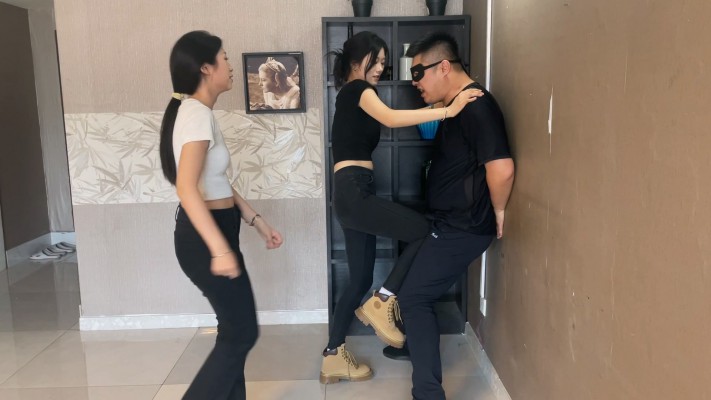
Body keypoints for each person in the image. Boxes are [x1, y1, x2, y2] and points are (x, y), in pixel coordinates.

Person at [319, 31, 483, 384]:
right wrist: (449, 109)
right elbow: (392, 119)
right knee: (424, 230)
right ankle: (383, 301)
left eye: (384, 62)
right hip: (354, 192)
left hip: (350, 193)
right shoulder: (358, 89)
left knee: (359, 279)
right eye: (376, 60)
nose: (381, 67)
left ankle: (332, 356)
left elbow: (392, 116)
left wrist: (438, 109)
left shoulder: (351, 95)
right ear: (357, 60)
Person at [158, 31, 284, 400]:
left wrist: (256, 220)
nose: (230, 66)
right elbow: (186, 188)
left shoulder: (197, 113)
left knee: (233, 330)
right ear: (205, 68)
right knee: (243, 332)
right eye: (225, 58)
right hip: (205, 236)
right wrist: (219, 249)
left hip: (217, 228)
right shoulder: (196, 114)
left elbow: (214, 181)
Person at [391, 32, 515, 400]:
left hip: (464, 226)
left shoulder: (477, 106)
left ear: (444, 67)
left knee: (414, 297)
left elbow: (502, 168)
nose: (415, 83)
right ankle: (416, 347)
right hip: (447, 221)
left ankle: (428, 393)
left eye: (418, 74)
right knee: (409, 288)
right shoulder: (457, 106)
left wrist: (499, 210)